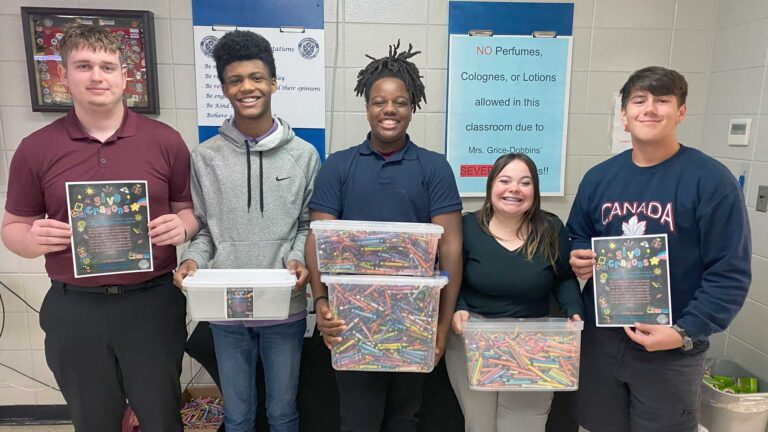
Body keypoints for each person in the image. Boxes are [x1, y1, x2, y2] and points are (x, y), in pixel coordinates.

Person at [1, 24, 198, 431]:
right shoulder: (36, 148)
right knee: (93, 420)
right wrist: (31, 239)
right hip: (75, 308)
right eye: (84, 66)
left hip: (152, 304)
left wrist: (181, 227)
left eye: (108, 67)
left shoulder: (166, 141)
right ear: (63, 76)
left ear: (125, 77)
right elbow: (13, 228)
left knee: (162, 417)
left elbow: (190, 212)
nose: (96, 76)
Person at [567, 66, 751, 432]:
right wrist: (579, 255)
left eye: (662, 100)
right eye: (639, 100)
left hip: (670, 347)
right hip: (602, 343)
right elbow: (577, 235)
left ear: (680, 112)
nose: (649, 109)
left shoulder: (711, 181)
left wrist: (685, 332)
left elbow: (729, 273)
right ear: (624, 115)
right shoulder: (599, 178)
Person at [305, 41, 463, 432]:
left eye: (400, 102)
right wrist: (321, 301)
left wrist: (441, 325)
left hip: (414, 319)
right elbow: (317, 239)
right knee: (357, 419)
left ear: (412, 108)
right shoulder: (338, 166)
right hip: (352, 320)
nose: (389, 110)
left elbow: (451, 246)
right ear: (367, 106)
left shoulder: (434, 167)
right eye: (380, 101)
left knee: (404, 419)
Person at [173, 30, 320, 432]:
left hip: (283, 305)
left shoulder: (304, 155)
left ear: (273, 83)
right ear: (223, 89)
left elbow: (306, 224)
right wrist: (191, 260)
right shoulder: (205, 157)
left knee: (283, 413)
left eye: (256, 77)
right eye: (236, 80)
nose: (247, 87)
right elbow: (205, 230)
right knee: (237, 416)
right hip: (226, 307)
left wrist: (295, 258)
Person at [445, 153, 583, 432]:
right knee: (480, 425)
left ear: (535, 191)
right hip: (474, 338)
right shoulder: (468, 227)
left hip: (533, 341)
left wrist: (574, 310)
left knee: (524, 426)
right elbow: (450, 274)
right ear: (490, 186)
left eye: (525, 183)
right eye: (504, 180)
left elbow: (563, 277)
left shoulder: (551, 227)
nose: (514, 189)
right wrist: (458, 307)